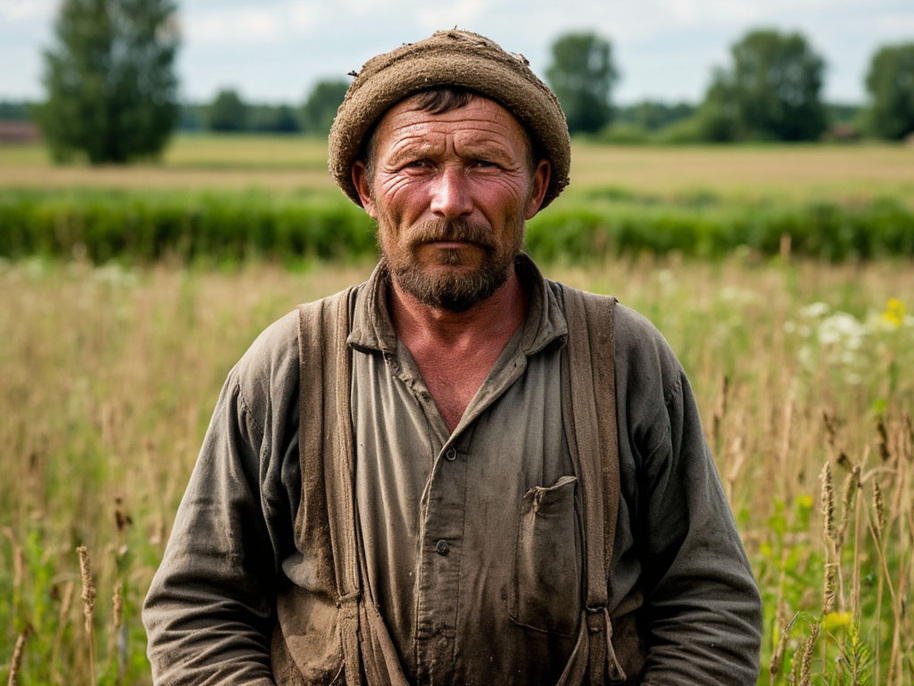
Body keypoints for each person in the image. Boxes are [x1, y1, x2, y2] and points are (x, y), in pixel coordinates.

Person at [143, 29, 762, 685]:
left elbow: (709, 607)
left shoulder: (625, 362)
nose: (449, 200)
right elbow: (198, 612)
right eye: (416, 166)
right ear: (364, 187)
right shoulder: (288, 370)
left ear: (537, 187)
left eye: (485, 165)